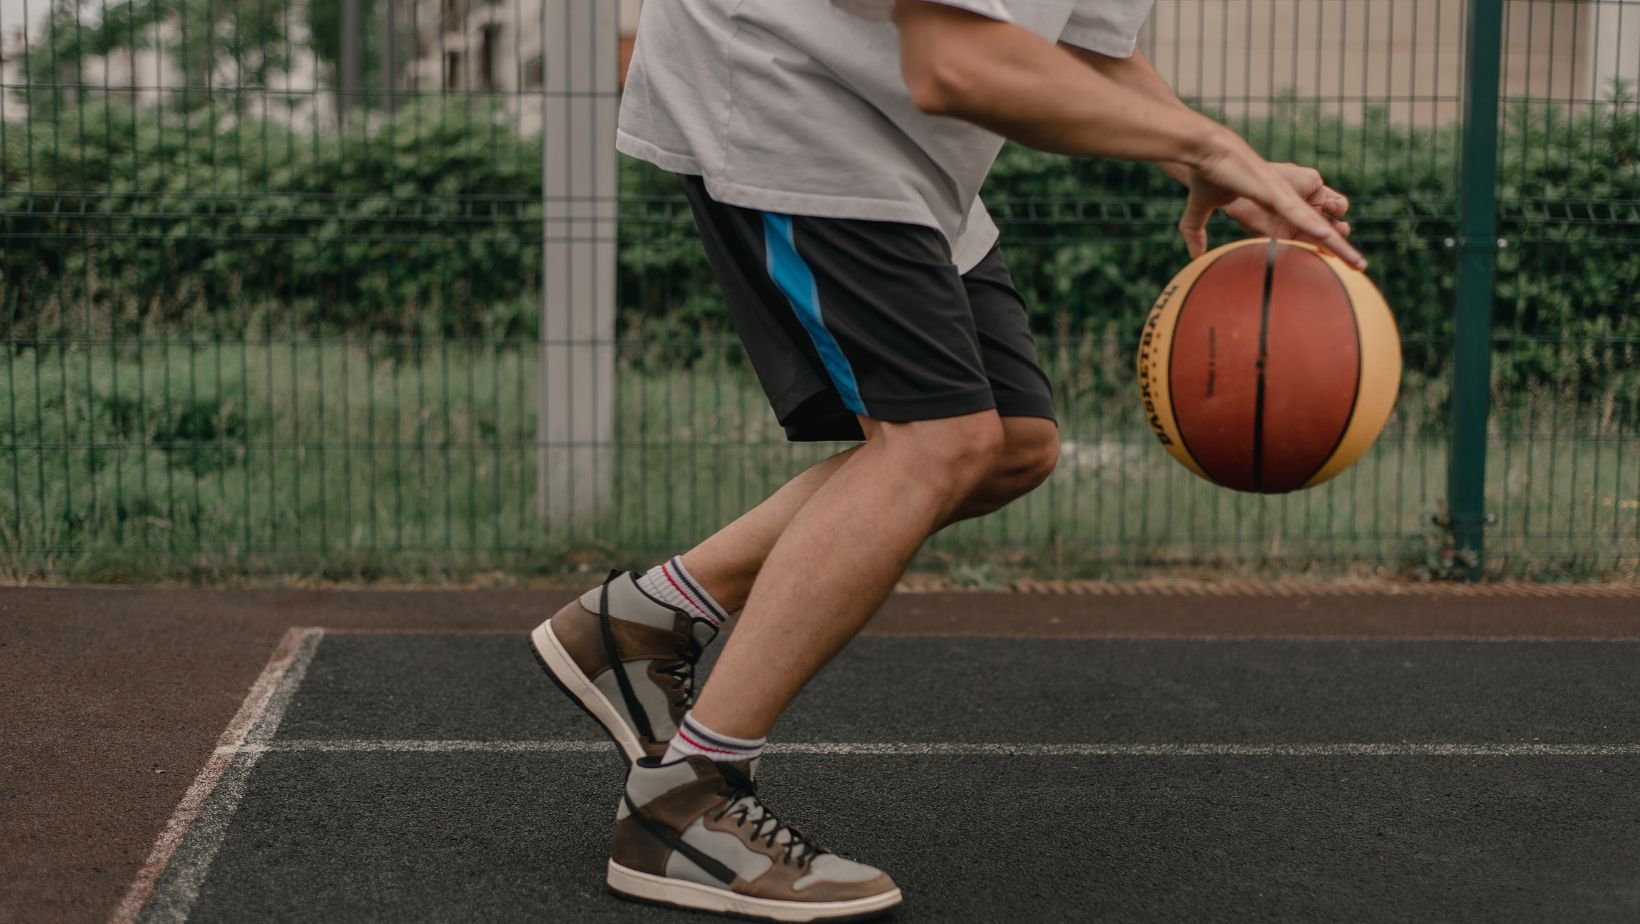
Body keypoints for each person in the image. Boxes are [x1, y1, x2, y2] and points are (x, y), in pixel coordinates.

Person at [531, 1, 1362, 919]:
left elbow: (1089, 42)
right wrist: (1205, 144)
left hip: (893, 123)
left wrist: (1212, 160)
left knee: (1007, 442)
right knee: (938, 442)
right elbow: (955, 64)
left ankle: (643, 619)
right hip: (789, 88)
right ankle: (683, 802)